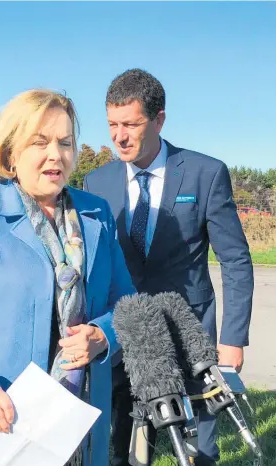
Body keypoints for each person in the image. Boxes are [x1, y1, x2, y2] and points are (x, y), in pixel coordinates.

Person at [0, 89, 136, 466]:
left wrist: (103, 335)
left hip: (79, 422)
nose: (56, 154)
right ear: (10, 152)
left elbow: (127, 302)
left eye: (65, 142)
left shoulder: (96, 213)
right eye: (40, 142)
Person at [83, 68, 254, 466]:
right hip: (122, 333)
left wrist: (232, 338)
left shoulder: (205, 173)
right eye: (111, 124)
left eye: (131, 124)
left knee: (197, 450)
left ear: (159, 119)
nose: (119, 136)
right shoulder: (97, 183)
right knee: (119, 445)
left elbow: (235, 260)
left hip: (190, 333)